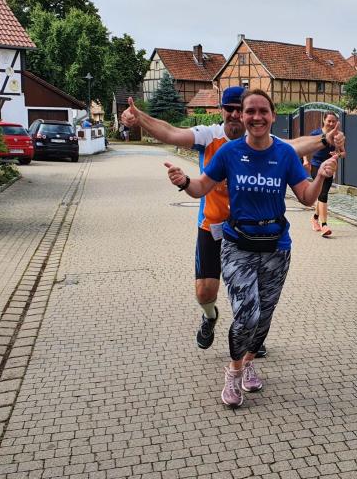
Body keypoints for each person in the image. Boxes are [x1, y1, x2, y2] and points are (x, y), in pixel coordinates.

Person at [120, 88, 343, 355]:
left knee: (255, 296)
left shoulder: (264, 139)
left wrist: (325, 139)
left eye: (241, 108)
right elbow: (170, 132)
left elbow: (295, 145)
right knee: (205, 292)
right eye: (231, 109)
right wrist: (140, 117)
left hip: (251, 234)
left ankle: (249, 340)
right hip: (213, 226)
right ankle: (210, 317)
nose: (236, 114)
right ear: (222, 110)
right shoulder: (210, 136)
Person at [165, 89, 338, 406]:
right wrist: (184, 182)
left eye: (263, 111)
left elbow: (306, 197)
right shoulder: (229, 152)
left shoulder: (284, 154)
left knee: (263, 317)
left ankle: (248, 363)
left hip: (276, 247)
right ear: (242, 117)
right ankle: (233, 372)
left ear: (273, 116)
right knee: (247, 314)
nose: (256, 117)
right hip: (238, 245)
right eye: (250, 111)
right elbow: (201, 187)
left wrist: (322, 176)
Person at [304, 112, 344, 237]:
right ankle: (324, 225)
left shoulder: (337, 136)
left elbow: (343, 153)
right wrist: (305, 161)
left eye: (333, 121)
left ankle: (315, 217)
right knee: (323, 194)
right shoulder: (316, 134)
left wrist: (338, 154)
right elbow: (305, 148)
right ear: (324, 120)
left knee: (323, 194)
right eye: (329, 121)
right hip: (316, 166)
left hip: (329, 167)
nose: (331, 123)